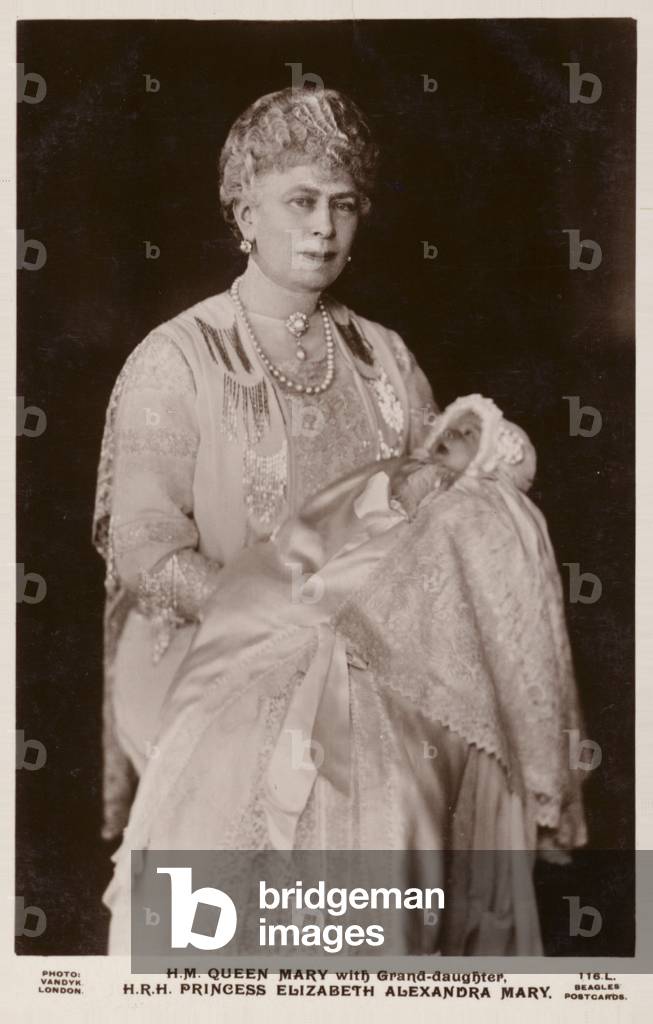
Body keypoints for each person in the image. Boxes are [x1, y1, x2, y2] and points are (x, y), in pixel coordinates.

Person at [101, 394, 587, 955]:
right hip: (302, 619)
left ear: (493, 463)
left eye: (468, 439)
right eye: (450, 432)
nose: (447, 442)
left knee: (373, 788)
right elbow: (307, 536)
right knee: (234, 750)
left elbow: (500, 622)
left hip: (393, 661)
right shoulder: (392, 478)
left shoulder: (487, 515)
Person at [92, 86, 442, 842]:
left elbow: (431, 521)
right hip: (221, 679)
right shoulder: (178, 356)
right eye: (300, 201)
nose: (323, 226)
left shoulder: (385, 358)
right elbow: (143, 547)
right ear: (246, 215)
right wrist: (277, 625)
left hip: (372, 693)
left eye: (344, 204)